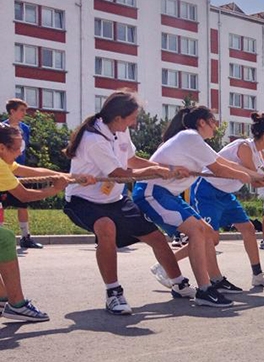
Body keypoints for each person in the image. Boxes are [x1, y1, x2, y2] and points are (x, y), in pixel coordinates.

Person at [61, 91, 196, 315]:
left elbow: (132, 161)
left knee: (156, 237)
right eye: (132, 117)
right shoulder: (94, 139)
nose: (134, 122)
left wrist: (169, 170)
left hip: (114, 199)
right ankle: (113, 293)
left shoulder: (120, 132)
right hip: (84, 200)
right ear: (118, 118)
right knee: (106, 227)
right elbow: (120, 174)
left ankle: (179, 283)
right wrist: (156, 171)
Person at [152, 111, 264, 291]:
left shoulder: (259, 152)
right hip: (207, 191)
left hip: (225, 194)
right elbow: (254, 178)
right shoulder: (245, 147)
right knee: (211, 238)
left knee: (248, 228)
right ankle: (166, 265)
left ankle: (257, 275)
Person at [132, 106, 253, 308]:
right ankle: (204, 290)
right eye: (213, 121)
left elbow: (223, 162)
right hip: (151, 192)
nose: (216, 125)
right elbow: (220, 168)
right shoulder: (190, 137)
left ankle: (215, 280)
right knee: (197, 231)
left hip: (166, 194)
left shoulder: (195, 141)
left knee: (208, 233)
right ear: (201, 123)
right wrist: (244, 176)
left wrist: (255, 176)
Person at [0, 124, 86, 322]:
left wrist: (71, 177)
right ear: (2, 148)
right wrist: (56, 188)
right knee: (5, 239)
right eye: (16, 149)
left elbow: (30, 170)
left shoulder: (4, 160)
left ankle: (3, 298)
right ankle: (17, 304)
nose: (20, 153)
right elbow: (25, 195)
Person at [1, 99, 40, 249]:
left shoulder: (25, 129)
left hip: (19, 170)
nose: (24, 113)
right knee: (1, 204)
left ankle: (25, 236)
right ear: (12, 111)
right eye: (21, 110)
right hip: (4, 171)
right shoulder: (2, 129)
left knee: (22, 204)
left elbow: (22, 150)